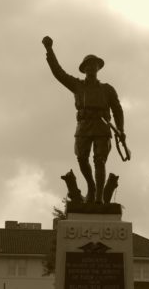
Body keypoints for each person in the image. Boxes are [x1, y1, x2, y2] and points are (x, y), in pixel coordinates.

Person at [42, 36, 126, 204]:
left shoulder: (107, 89)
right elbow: (58, 72)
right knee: (81, 158)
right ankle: (91, 186)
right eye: (88, 64)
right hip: (83, 125)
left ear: (98, 67)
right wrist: (49, 50)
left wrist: (121, 130)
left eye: (94, 64)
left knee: (100, 160)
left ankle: (99, 198)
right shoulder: (77, 85)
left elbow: (117, 110)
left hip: (102, 126)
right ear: (84, 68)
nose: (91, 66)